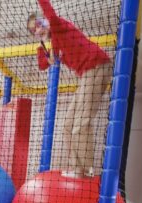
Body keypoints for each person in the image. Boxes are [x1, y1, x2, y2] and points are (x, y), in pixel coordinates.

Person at [28, 0, 112, 176]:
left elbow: (49, 13)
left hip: (95, 66)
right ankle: (77, 169)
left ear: (45, 21)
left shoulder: (57, 26)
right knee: (68, 125)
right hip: (85, 74)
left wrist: (45, 20)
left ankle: (88, 170)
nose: (38, 29)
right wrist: (42, 47)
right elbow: (44, 64)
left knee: (80, 124)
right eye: (33, 30)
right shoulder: (54, 44)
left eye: (38, 24)